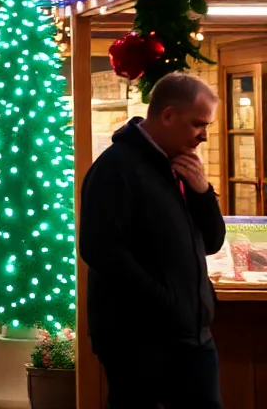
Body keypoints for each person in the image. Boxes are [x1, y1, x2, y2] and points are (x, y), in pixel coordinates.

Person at [80, 72, 225, 409]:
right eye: (197, 124)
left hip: (194, 334)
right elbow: (100, 250)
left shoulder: (182, 166)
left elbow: (212, 241)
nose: (203, 136)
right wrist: (165, 303)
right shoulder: (115, 169)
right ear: (168, 115)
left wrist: (203, 192)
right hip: (138, 339)